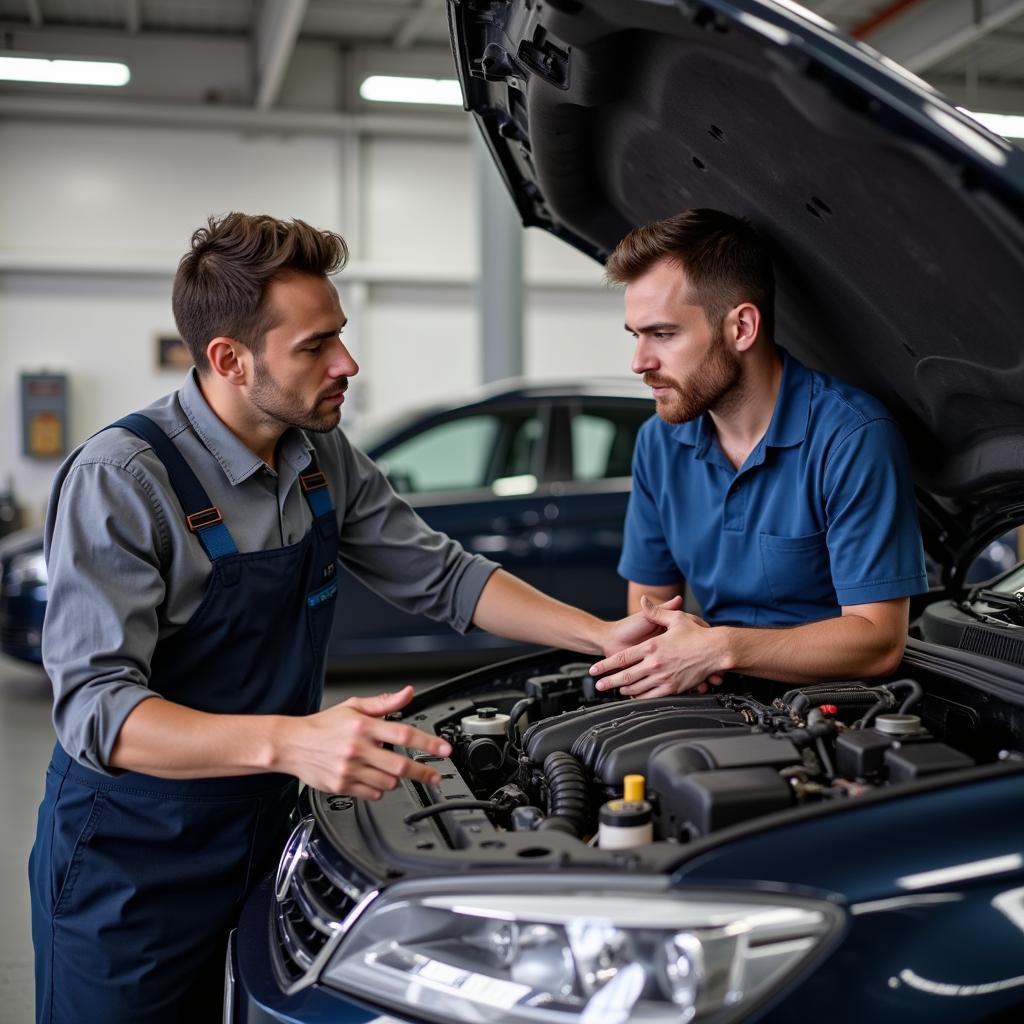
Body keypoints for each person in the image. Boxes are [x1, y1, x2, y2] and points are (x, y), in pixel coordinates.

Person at [28, 213, 664, 1024]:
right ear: (229, 358)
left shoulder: (318, 454)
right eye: (315, 346)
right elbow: (96, 712)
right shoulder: (122, 479)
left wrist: (601, 635)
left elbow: (443, 574)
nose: (347, 364)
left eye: (342, 336)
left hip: (270, 835)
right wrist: (296, 740)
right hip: (134, 858)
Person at [588, 208, 928, 698]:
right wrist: (677, 657)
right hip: (711, 694)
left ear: (742, 327)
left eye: (662, 334)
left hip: (833, 712)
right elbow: (648, 612)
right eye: (635, 335)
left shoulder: (852, 437)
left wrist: (720, 647)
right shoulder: (657, 443)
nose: (640, 362)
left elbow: (878, 641)